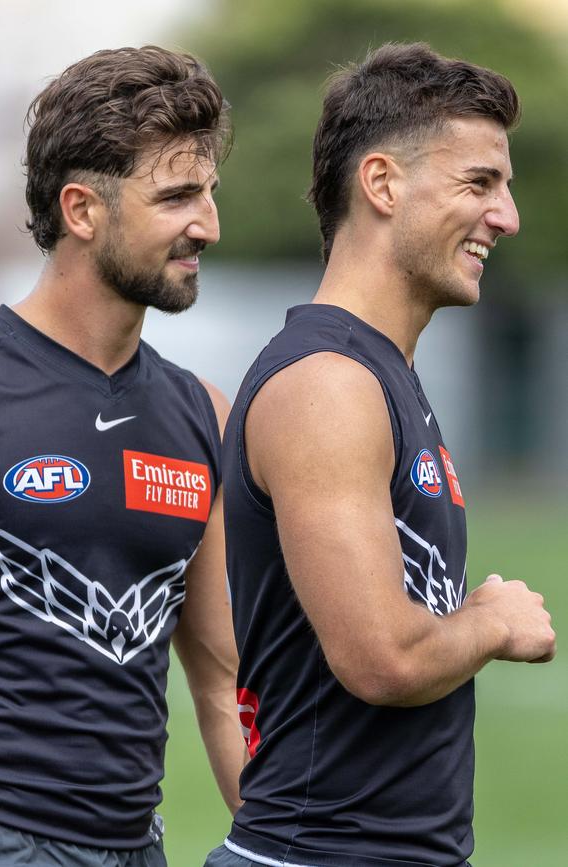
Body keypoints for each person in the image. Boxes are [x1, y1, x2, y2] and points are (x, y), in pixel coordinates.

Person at [205, 42, 556, 867]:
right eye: (479, 183)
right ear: (383, 184)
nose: (507, 216)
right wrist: (490, 621)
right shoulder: (329, 382)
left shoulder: (382, 374)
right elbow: (384, 658)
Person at [0, 45, 245, 867]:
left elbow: (221, 679)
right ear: (81, 209)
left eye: (207, 192)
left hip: (136, 844)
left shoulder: (203, 414)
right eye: (175, 196)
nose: (207, 223)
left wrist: (294, 844)